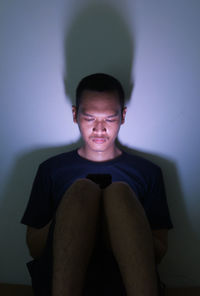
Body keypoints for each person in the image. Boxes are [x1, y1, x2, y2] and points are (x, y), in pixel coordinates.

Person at [21, 73, 173, 296]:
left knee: (119, 193)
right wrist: (73, 214)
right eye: (90, 118)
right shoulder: (51, 170)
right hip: (62, 278)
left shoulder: (147, 172)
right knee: (83, 190)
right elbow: (34, 248)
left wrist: (116, 219)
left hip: (124, 281)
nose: (99, 129)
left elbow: (159, 252)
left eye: (110, 119)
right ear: (75, 115)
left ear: (123, 116)